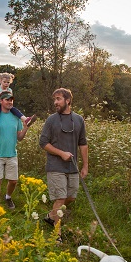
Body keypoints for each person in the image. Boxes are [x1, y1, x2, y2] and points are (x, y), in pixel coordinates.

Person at [39, 88, 89, 234]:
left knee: (71, 197)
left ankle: (50, 216)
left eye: (58, 99)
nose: (55, 102)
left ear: (68, 101)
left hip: (72, 167)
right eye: (54, 99)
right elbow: (43, 142)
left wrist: (85, 165)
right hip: (55, 166)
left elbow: (83, 143)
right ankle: (57, 235)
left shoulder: (79, 120)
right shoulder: (51, 120)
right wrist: (61, 153)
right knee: (60, 199)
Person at [0, 92, 31, 209]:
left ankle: (8, 197)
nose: (10, 102)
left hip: (11, 154)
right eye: (7, 100)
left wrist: (25, 128)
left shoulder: (16, 117)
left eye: (11, 100)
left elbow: (19, 138)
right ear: (1, 101)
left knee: (13, 181)